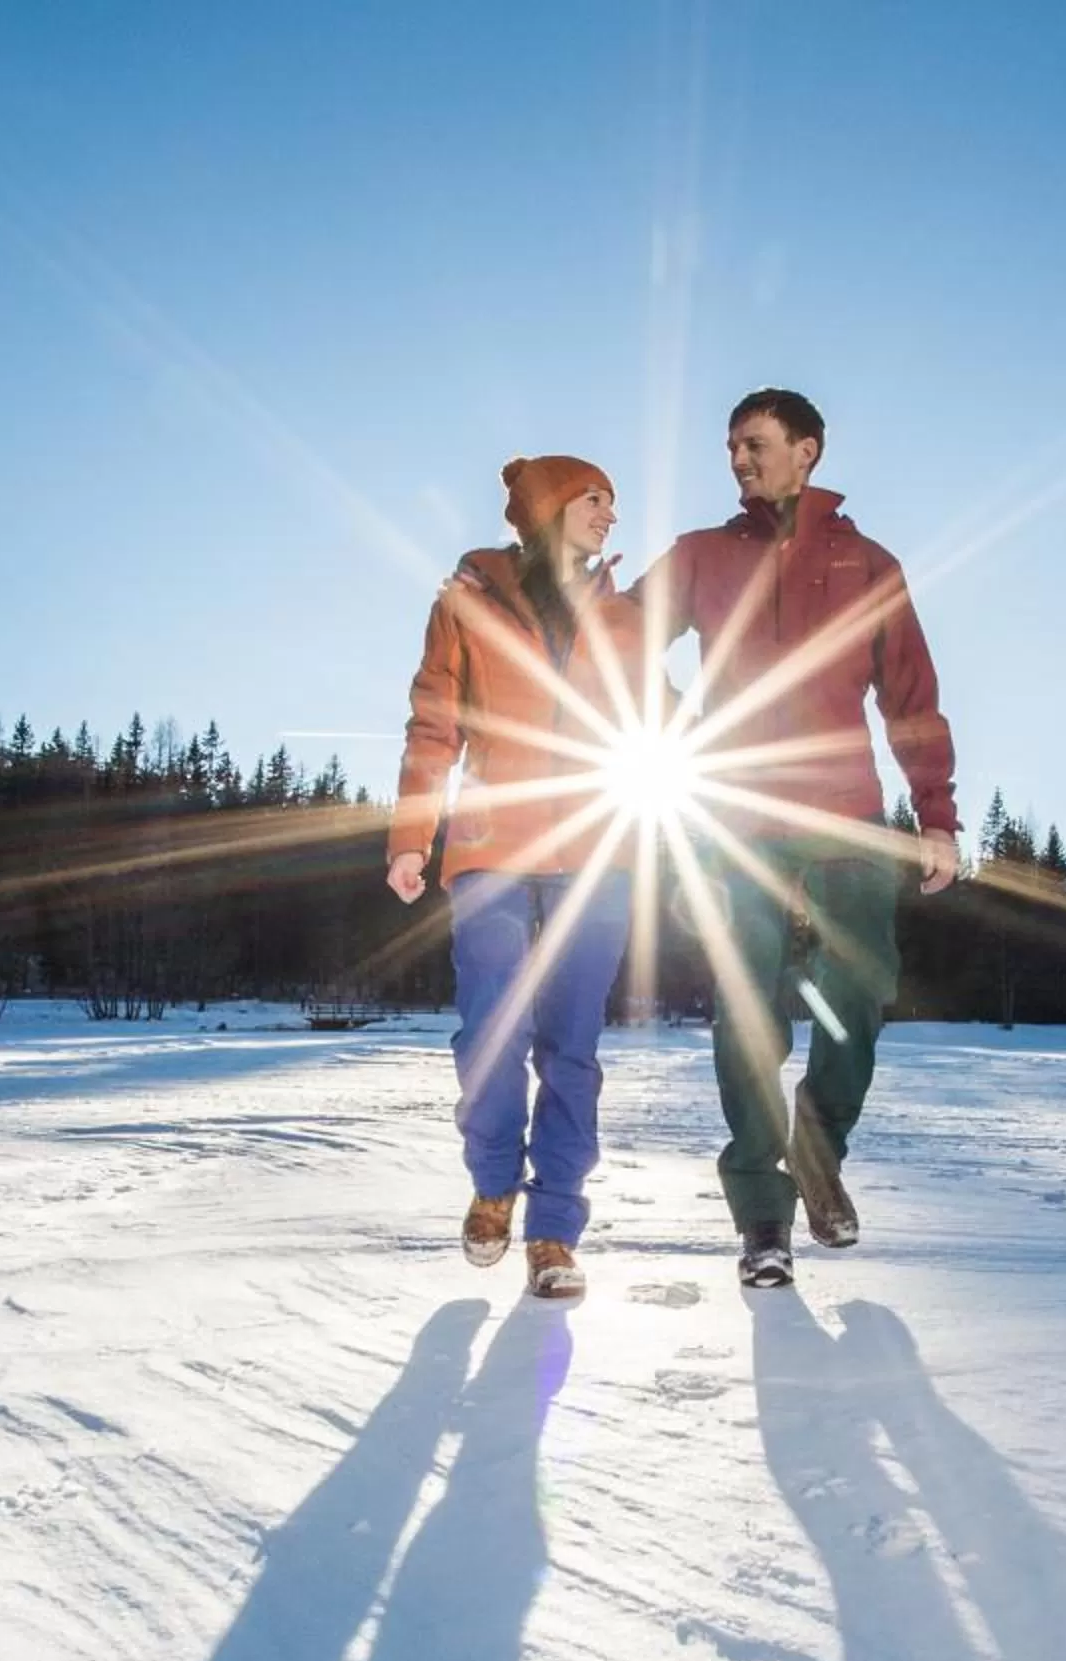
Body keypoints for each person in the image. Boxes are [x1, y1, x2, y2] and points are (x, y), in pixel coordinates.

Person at [630, 388, 959, 1287]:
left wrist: (936, 814)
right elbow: (616, 638)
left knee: (857, 1003)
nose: (739, 459)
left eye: (756, 444)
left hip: (845, 818)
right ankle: (762, 1214)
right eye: (730, 446)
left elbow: (911, 699)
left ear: (808, 450)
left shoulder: (867, 564)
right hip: (733, 826)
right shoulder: (701, 556)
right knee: (745, 1020)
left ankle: (819, 1151)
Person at [387, 454, 638, 1300]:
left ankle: (554, 1231)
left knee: (573, 1049)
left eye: (613, 502)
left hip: (597, 852)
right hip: (492, 847)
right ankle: (494, 1180)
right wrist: (411, 836)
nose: (611, 514)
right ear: (549, 507)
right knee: (488, 1033)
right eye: (595, 499)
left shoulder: (621, 612)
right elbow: (434, 723)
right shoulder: (468, 599)